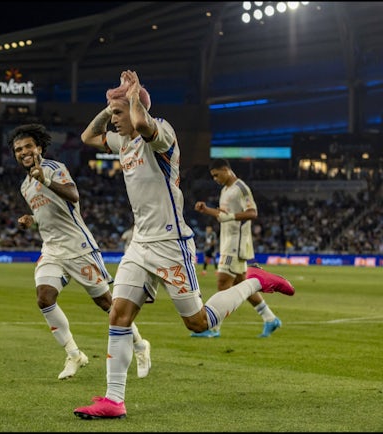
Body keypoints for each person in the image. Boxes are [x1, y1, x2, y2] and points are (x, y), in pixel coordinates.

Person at [73, 70, 294, 419]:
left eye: (118, 115)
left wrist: (132, 99)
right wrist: (111, 104)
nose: (113, 122)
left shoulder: (161, 133)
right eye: (113, 115)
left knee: (199, 322)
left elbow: (144, 126)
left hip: (171, 244)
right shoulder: (123, 143)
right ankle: (114, 400)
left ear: (136, 109)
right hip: (141, 244)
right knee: (119, 313)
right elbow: (88, 136)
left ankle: (254, 280)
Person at [8, 123, 152, 381]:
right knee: (44, 298)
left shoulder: (54, 168)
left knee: (107, 303)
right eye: (18, 149)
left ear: (39, 148)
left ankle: (141, 346)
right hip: (52, 249)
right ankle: (74, 354)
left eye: (28, 146)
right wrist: (32, 221)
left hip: (78, 247)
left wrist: (47, 179)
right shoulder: (25, 186)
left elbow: (73, 196)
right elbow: (47, 215)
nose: (24, 151)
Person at [192, 158, 282, 338]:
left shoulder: (241, 188)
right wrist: (207, 210)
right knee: (242, 285)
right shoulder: (225, 190)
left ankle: (214, 328)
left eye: (217, 175)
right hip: (227, 240)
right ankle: (270, 319)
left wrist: (231, 217)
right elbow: (223, 215)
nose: (215, 179)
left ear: (226, 170)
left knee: (223, 283)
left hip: (236, 243)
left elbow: (252, 212)